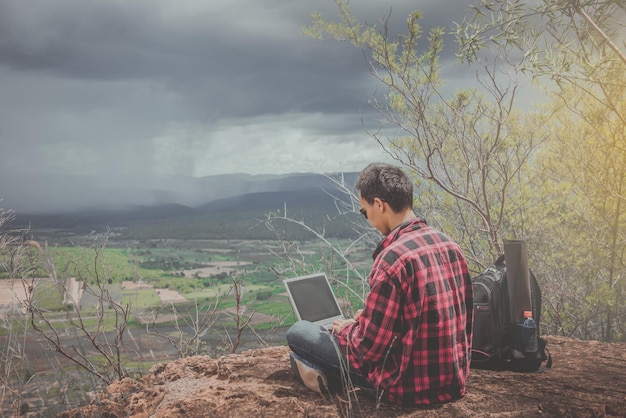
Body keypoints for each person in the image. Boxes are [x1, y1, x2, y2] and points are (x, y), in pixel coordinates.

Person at [286, 162, 473, 406]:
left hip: (406, 387)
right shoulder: (450, 245)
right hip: (452, 381)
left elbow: (367, 349)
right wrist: (368, 318)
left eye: (365, 211)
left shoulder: (393, 259)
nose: (367, 218)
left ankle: (321, 372)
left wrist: (347, 329)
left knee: (299, 332)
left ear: (379, 204)